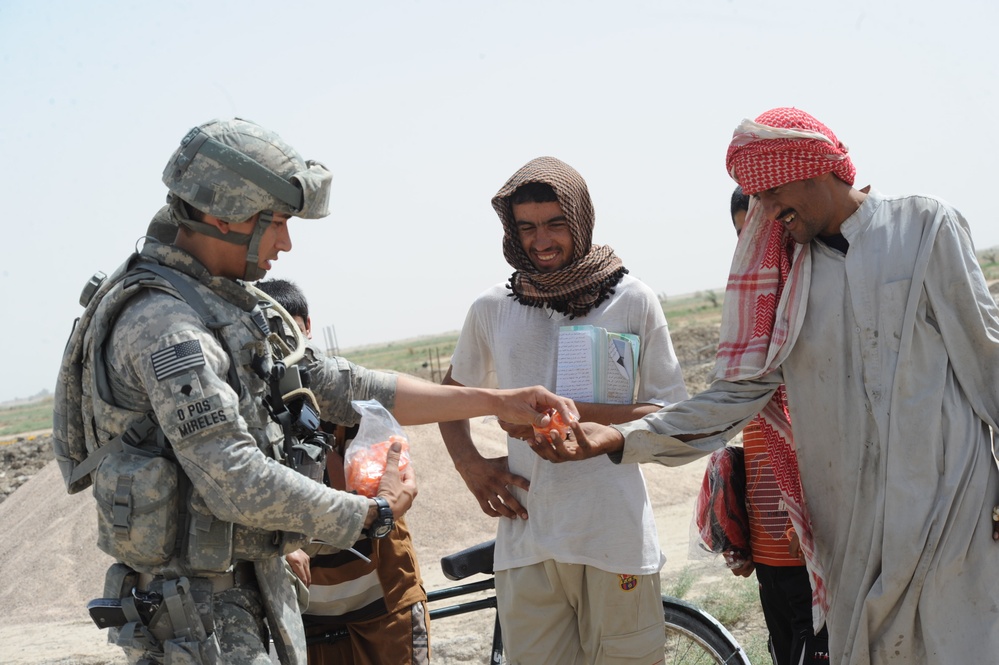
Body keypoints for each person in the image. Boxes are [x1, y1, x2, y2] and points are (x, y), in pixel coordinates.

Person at [51, 118, 576, 665]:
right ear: (219, 214)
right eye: (274, 221)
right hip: (200, 619)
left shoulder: (229, 305)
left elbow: (342, 386)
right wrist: (369, 516)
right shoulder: (165, 325)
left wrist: (495, 400)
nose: (285, 241)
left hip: (247, 595)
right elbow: (234, 476)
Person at [532, 107, 999, 665]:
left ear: (817, 169)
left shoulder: (924, 227)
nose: (768, 212)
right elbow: (736, 393)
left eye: (773, 193)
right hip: (851, 521)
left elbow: (987, 357)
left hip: (952, 500)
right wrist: (618, 439)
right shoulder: (786, 276)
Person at [438, 156, 688, 664]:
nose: (542, 240)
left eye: (555, 223)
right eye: (526, 227)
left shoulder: (631, 299)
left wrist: (566, 416)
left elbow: (671, 411)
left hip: (612, 535)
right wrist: (470, 466)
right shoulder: (493, 308)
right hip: (528, 541)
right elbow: (451, 397)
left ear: (580, 219)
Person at [257, 278, 429, 665]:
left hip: (384, 609)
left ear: (307, 329)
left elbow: (394, 488)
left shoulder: (361, 413)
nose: (281, 349)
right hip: (304, 620)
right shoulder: (251, 424)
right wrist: (281, 544)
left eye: (290, 333)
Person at [726, 186, 828, 665]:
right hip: (769, 554)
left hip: (815, 547)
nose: (756, 251)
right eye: (743, 238)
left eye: (764, 234)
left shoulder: (818, 306)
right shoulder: (749, 319)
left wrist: (810, 510)